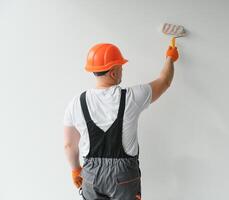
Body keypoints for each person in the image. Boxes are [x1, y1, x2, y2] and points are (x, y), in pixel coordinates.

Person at [63, 40, 179, 200]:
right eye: (121, 67)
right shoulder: (132, 97)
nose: (122, 70)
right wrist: (170, 58)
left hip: (91, 176)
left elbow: (69, 145)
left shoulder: (76, 103)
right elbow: (164, 81)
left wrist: (75, 169)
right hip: (124, 177)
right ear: (113, 73)